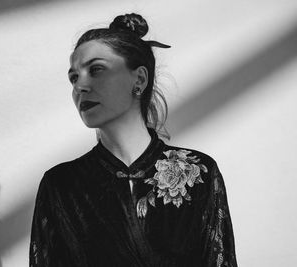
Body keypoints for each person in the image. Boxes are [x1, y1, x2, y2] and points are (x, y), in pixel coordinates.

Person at [29, 13, 237, 267]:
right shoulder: (60, 184)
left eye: (96, 70)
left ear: (138, 79)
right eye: (74, 77)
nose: (80, 86)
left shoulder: (198, 172)